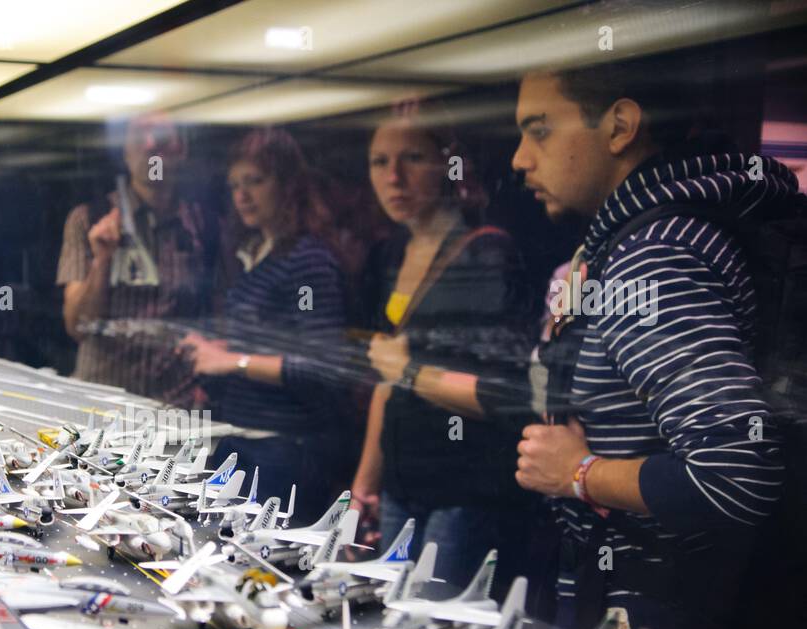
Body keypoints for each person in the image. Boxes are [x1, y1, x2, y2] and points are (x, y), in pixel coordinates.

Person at [508, 60, 800, 629]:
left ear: (620, 125)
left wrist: (575, 473)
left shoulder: (652, 258)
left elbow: (738, 470)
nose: (518, 158)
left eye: (539, 129)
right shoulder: (634, 247)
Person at [351, 113, 538, 588]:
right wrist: (364, 485)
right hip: (400, 483)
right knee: (390, 616)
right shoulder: (391, 252)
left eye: (412, 158)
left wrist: (411, 370)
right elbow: (385, 377)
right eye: (379, 162)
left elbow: (506, 393)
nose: (393, 177)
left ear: (449, 166)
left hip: (463, 490)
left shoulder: (487, 254)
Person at [181, 128, 349, 524]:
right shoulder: (260, 252)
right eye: (235, 185)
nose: (242, 195)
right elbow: (267, 346)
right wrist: (215, 351)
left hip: (283, 452)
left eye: (255, 181)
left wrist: (230, 362)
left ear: (289, 185)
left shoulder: (309, 261)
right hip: (248, 441)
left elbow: (321, 368)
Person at [57, 113, 210, 403]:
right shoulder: (89, 218)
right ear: (126, 153)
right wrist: (102, 260)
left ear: (181, 151)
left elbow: (218, 314)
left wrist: (210, 382)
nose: (151, 147)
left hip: (176, 402)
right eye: (140, 139)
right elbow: (76, 326)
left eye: (163, 141)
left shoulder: (203, 224)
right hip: (104, 399)